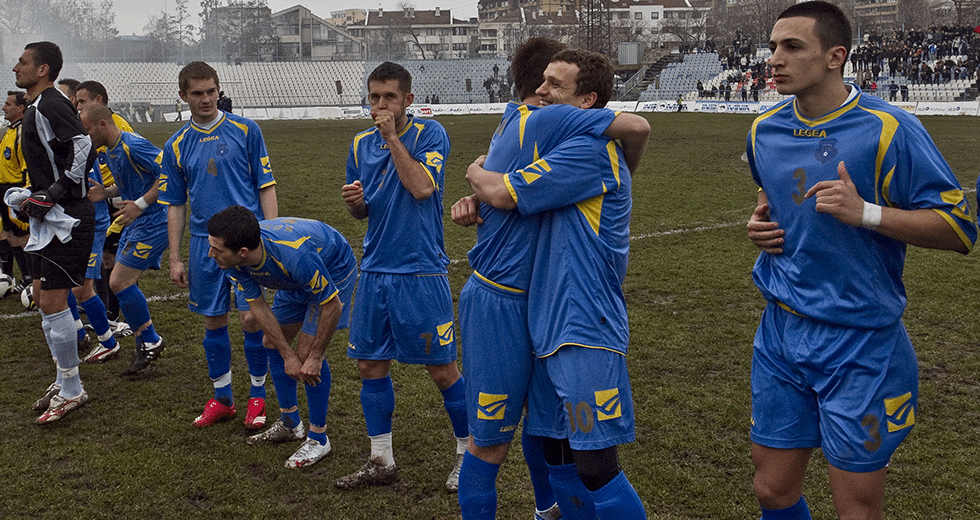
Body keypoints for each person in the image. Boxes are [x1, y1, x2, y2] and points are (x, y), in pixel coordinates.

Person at [744, 3, 977, 519]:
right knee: (771, 490)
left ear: (835, 57)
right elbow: (771, 195)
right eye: (774, 46)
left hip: (859, 341)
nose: (775, 58)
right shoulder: (763, 130)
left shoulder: (890, 129)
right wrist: (760, 223)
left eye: (792, 47)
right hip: (781, 331)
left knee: (857, 509)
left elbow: (960, 229)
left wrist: (867, 213)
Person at [450, 39, 650, 520]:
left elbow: (501, 190)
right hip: (540, 312)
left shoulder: (581, 148)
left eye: (554, 84)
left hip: (583, 320)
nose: (540, 91)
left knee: (594, 463)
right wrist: (482, 181)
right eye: (540, 81)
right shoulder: (546, 132)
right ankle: (549, 510)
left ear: (586, 102)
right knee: (543, 444)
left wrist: (475, 173)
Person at [336, 61, 468, 492]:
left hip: (420, 269)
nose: (380, 105)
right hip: (374, 268)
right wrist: (355, 202)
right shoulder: (358, 144)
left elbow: (421, 188)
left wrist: (392, 137)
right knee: (370, 364)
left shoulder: (430, 134)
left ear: (408, 100)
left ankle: (468, 456)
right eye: (374, 97)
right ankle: (381, 460)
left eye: (389, 97)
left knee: (442, 370)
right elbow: (364, 212)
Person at [158, 61, 278, 430]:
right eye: (197, 93)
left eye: (211, 91)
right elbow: (176, 204)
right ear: (183, 96)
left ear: (218, 89)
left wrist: (271, 235)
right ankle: (223, 397)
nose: (206, 99)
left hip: (245, 242)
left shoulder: (246, 129)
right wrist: (175, 257)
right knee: (213, 321)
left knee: (250, 318)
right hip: (204, 245)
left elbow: (265, 185)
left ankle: (256, 396)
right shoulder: (176, 144)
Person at [206, 206, 357, 468]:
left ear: (242, 252)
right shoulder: (233, 260)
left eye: (216, 249)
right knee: (272, 344)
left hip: (333, 269)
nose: (210, 253)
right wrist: (286, 355)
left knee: (307, 354)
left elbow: (332, 305)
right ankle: (290, 423)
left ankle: (319, 439)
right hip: (293, 279)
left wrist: (316, 357)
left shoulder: (295, 256)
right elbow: (259, 306)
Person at [13, 41, 98, 423]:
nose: (16, 67)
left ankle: (72, 389)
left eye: (23, 61)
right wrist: (30, 194)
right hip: (51, 217)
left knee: (52, 302)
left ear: (43, 69)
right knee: (44, 300)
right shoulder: (34, 107)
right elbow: (55, 162)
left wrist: (57, 191)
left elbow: (83, 145)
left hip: (70, 218)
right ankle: (64, 380)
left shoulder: (50, 102)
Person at [79, 103, 168, 373]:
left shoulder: (132, 145)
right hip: (137, 220)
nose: (86, 136)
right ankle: (144, 341)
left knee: (119, 281)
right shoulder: (109, 151)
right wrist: (105, 193)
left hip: (155, 221)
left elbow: (168, 174)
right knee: (122, 281)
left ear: (102, 125)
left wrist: (140, 204)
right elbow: (130, 183)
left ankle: (151, 340)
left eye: (87, 130)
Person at [75, 80, 137, 331]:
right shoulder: (89, 128)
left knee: (121, 259)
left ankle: (118, 311)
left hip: (118, 200)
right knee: (107, 258)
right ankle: (109, 308)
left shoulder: (118, 126)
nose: (78, 106)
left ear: (98, 100)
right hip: (103, 197)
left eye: (82, 101)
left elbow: (136, 163)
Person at [0, 90, 31, 295]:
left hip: (15, 190)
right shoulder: (10, 130)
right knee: (9, 235)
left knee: (26, 237)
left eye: (8, 104)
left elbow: (26, 167)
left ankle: (32, 276)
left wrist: (23, 195)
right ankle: (24, 276)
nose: (4, 108)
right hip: (3, 189)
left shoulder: (22, 132)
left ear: (20, 108)